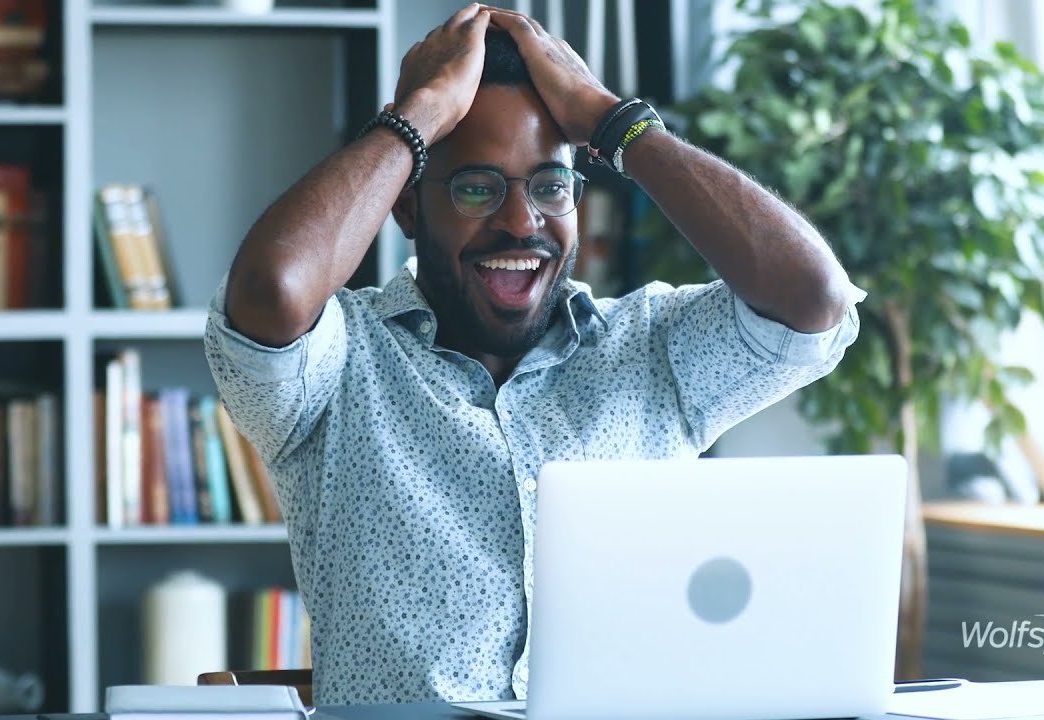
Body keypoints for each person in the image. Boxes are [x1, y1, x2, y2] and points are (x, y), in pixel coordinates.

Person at [204, 3, 865, 706]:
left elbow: (813, 299)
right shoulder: (340, 367)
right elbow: (271, 290)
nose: (522, 222)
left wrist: (618, 124)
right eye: (476, 188)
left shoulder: (651, 350)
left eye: (551, 187)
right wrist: (415, 119)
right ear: (406, 209)